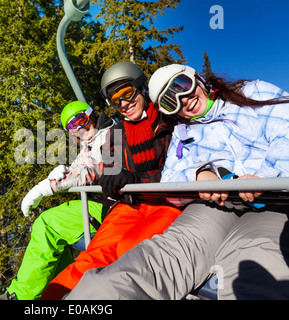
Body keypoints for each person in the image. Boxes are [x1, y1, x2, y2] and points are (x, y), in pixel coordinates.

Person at [64, 64, 289, 300]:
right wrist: (200, 174)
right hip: (174, 205)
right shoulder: (125, 133)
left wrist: (265, 176)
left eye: (182, 86)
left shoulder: (245, 95)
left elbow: (285, 127)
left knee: (251, 262)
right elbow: (167, 175)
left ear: (196, 78)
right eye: (171, 102)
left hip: (270, 200)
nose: (183, 100)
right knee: (144, 260)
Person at [40, 61, 182, 300]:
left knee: (130, 249)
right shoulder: (116, 134)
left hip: (166, 204)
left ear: (142, 88)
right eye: (116, 100)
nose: (124, 104)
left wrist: (138, 178)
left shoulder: (169, 122)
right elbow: (108, 169)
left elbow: (180, 168)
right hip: (128, 206)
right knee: (92, 255)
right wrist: (112, 178)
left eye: (127, 93)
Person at [5, 101, 116, 300]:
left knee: (47, 224)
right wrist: (60, 173)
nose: (80, 129)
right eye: (72, 128)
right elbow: (78, 167)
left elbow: (90, 170)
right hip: (100, 205)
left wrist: (45, 188)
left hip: (109, 206)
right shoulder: (91, 142)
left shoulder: (110, 135)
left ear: (90, 116)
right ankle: (56, 292)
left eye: (81, 120)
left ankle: (21, 296)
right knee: (51, 230)